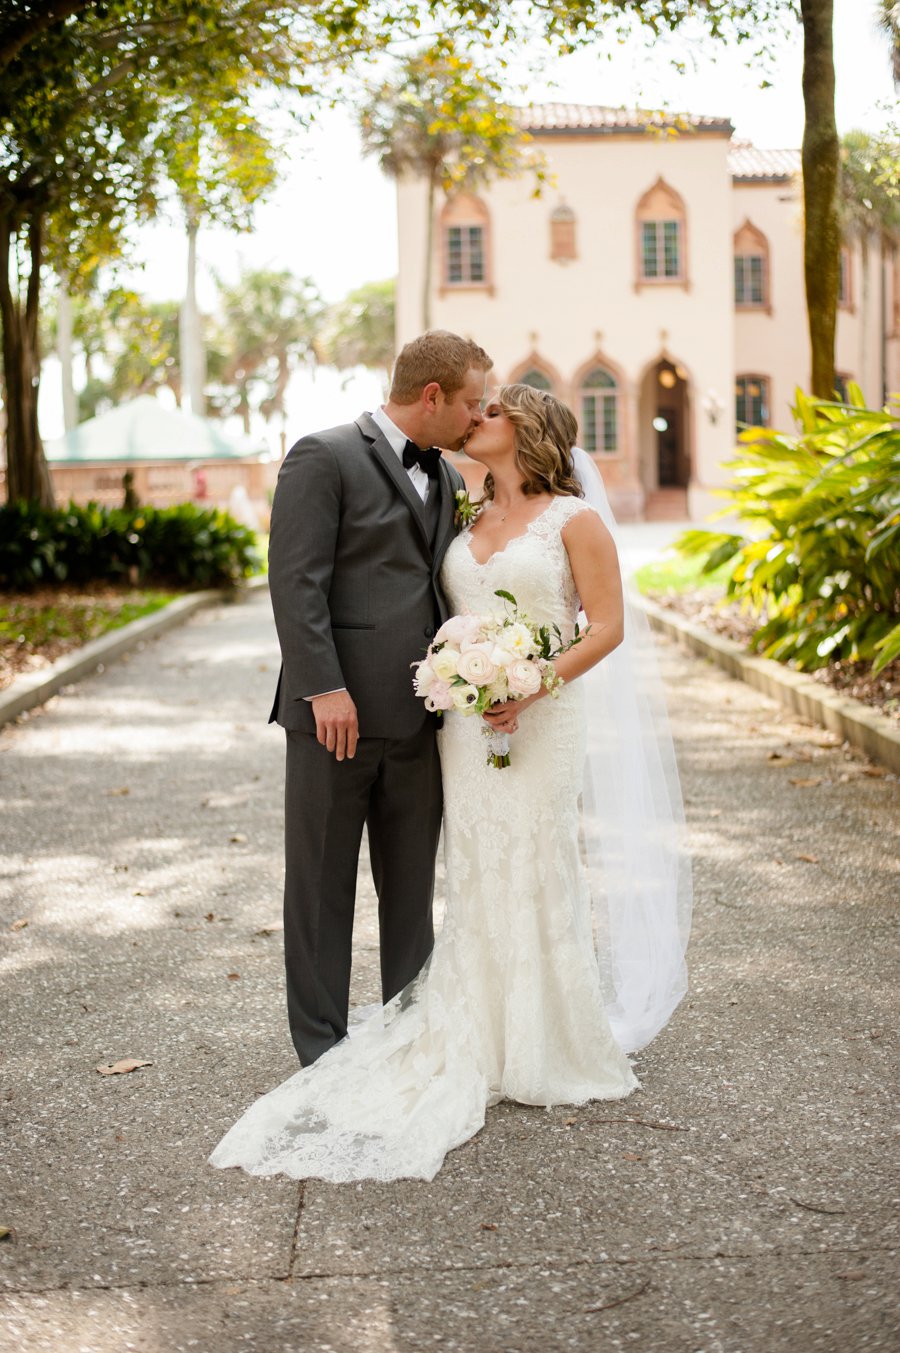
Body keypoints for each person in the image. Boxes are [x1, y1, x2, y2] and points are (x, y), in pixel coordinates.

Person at [210, 384, 691, 1183]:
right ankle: (475, 1024)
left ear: (529, 432)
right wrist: (465, 678)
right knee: (470, 866)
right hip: (466, 727)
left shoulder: (575, 520)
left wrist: (533, 681)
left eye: (493, 412)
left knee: (536, 862)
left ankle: (543, 1037)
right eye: (475, 405)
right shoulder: (463, 507)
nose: (477, 419)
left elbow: (605, 625)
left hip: (539, 717)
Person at [265, 330, 492, 1067]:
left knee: (410, 893)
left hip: (421, 718)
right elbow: (296, 583)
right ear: (432, 396)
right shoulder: (323, 456)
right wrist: (324, 686)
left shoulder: (452, 480)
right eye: (470, 404)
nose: (476, 419)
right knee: (322, 889)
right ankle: (321, 1050)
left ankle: (409, 1034)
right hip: (336, 718)